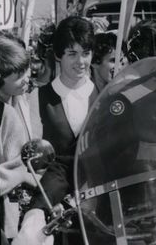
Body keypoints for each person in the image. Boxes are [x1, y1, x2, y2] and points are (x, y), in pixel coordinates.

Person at [18, 16, 99, 245]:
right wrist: (46, 202)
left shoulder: (106, 95)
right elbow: (36, 161)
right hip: (55, 213)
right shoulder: (39, 98)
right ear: (57, 56)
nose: (81, 61)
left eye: (86, 52)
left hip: (100, 211)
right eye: (72, 54)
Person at [0, 33, 38, 243]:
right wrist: (22, 174)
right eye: (19, 74)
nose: (27, 78)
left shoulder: (19, 102)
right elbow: (17, 168)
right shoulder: (6, 114)